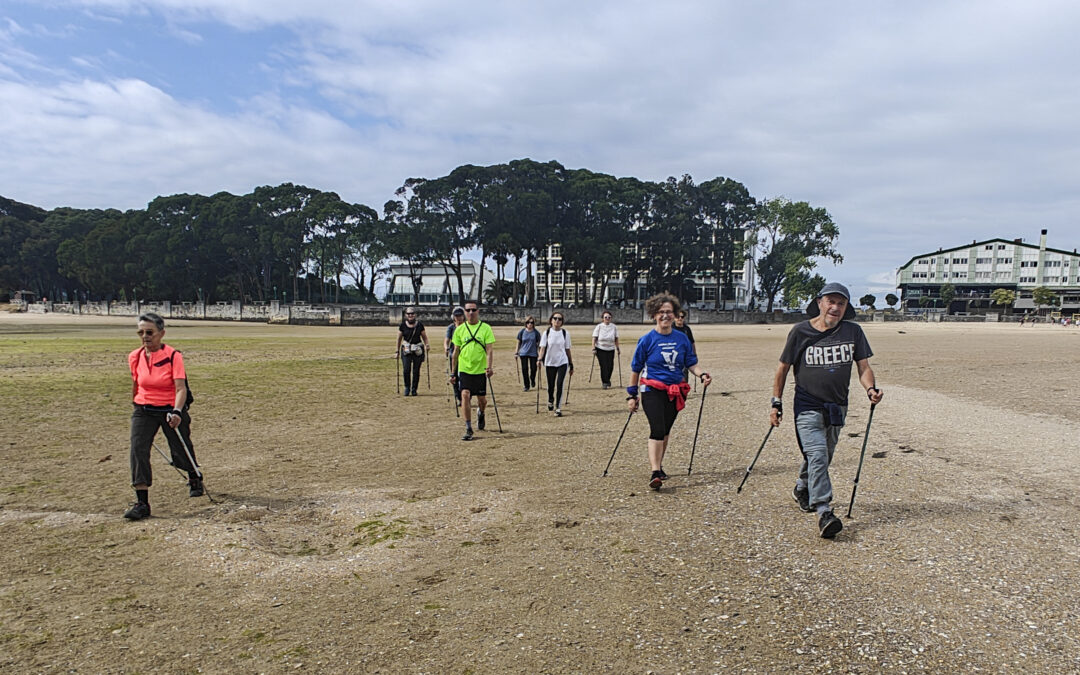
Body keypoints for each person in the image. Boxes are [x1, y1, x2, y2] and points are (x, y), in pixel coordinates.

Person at [770, 282, 884, 539]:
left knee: (822, 455)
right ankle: (824, 511)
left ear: (846, 307)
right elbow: (783, 368)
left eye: (840, 303)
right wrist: (776, 402)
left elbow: (863, 367)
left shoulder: (853, 332)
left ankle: (802, 486)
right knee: (818, 454)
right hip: (807, 404)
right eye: (830, 301)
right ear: (819, 302)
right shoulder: (800, 332)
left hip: (837, 406)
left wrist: (870, 389)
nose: (835, 307)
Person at [627, 294, 711, 490]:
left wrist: (702, 374)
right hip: (651, 389)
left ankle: (659, 465)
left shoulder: (681, 339)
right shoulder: (647, 340)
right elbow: (636, 367)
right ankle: (655, 471)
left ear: (674, 315)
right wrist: (632, 395)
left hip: (674, 391)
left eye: (669, 312)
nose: (665, 316)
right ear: (654, 315)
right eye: (661, 312)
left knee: (665, 430)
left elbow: (691, 363)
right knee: (657, 428)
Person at [124, 313, 203, 520]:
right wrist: (135, 403)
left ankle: (194, 475)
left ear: (161, 333)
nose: (145, 337)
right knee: (138, 450)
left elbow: (181, 388)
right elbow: (136, 383)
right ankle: (142, 502)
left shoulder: (173, 356)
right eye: (141, 332)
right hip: (143, 409)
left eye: (150, 332)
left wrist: (177, 411)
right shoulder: (135, 357)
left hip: (169, 407)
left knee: (180, 448)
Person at [450, 300, 495, 441]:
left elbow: (489, 350)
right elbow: (455, 352)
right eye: (468, 310)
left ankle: (481, 413)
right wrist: (453, 372)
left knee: (482, 400)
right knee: (465, 395)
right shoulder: (459, 330)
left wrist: (489, 367)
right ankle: (468, 428)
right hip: (464, 369)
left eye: (473, 310)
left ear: (478, 312)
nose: (470, 313)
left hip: (480, 370)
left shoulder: (486, 328)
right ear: (464, 312)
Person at [538, 312, 574, 416]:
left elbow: (567, 349)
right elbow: (543, 348)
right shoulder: (547, 333)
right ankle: (550, 399)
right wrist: (539, 359)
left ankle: (558, 407)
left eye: (560, 319)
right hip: (550, 362)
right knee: (551, 384)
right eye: (555, 318)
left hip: (562, 362)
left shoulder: (565, 333)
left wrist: (571, 363)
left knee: (559, 384)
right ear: (551, 320)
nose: (557, 321)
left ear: (562, 322)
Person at [396, 307, 429, 396]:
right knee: (406, 369)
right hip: (406, 350)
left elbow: (424, 337)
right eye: (408, 314)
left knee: (416, 370)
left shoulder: (419, 325)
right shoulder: (402, 325)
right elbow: (399, 339)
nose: (410, 315)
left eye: (412, 313)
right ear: (405, 315)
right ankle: (407, 387)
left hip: (417, 349)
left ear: (415, 315)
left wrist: (427, 345)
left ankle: (414, 389)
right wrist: (397, 350)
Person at [591, 311, 621, 389]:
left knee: (610, 366)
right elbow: (594, 338)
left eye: (609, 317)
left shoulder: (614, 327)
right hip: (600, 348)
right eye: (605, 317)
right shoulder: (599, 326)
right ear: (602, 319)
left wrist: (618, 348)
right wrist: (593, 348)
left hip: (611, 349)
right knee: (603, 365)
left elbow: (616, 338)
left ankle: (607, 379)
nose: (607, 319)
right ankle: (605, 382)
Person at [444, 307, 466, 404]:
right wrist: (446, 347)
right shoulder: (451, 327)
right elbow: (447, 340)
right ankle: (458, 397)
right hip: (454, 355)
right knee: (454, 375)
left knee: (465, 376)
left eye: (460, 316)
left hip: (465, 354)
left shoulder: (467, 326)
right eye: (456, 316)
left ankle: (465, 397)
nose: (459, 318)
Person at [515, 315, 540, 392]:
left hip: (533, 353)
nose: (530, 324)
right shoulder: (522, 332)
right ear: (526, 323)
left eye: (532, 323)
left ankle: (532, 379)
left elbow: (539, 344)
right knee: (524, 369)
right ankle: (526, 385)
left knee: (533, 369)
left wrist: (540, 355)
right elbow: (518, 342)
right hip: (523, 353)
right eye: (528, 322)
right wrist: (516, 352)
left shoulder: (536, 333)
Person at [672, 310, 696, 383]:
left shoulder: (687, 329)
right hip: (672, 356)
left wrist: (694, 354)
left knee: (684, 374)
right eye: (677, 316)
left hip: (684, 355)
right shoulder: (670, 328)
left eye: (682, 317)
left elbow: (692, 342)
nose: (680, 318)